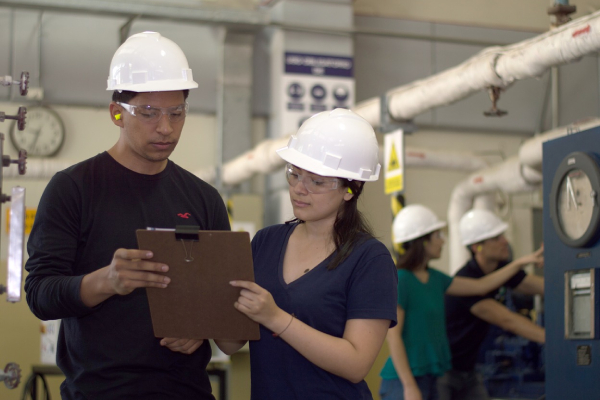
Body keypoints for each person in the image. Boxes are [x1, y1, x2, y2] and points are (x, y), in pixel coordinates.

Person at [24, 31, 231, 400]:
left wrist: (202, 327)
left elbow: (222, 303)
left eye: (176, 113)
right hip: (99, 392)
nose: (165, 128)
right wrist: (105, 281)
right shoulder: (74, 188)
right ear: (117, 113)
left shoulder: (204, 199)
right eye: (148, 113)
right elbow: (40, 294)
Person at [220, 109, 398, 399]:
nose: (299, 189)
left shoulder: (369, 259)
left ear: (350, 189)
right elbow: (230, 343)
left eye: (316, 182)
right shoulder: (267, 241)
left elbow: (356, 364)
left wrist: (276, 317)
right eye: (294, 174)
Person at [379, 205, 543, 400]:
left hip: (432, 375)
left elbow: (481, 286)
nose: (442, 241)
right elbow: (393, 336)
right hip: (405, 381)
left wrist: (518, 264)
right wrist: (408, 386)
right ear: (422, 242)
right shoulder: (402, 280)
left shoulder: (436, 278)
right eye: (437, 235)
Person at [438, 209, 545, 400]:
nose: (505, 241)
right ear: (477, 247)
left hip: (469, 370)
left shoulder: (501, 269)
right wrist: (554, 340)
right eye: (496, 238)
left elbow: (545, 287)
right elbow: (506, 319)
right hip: (445, 372)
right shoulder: (466, 280)